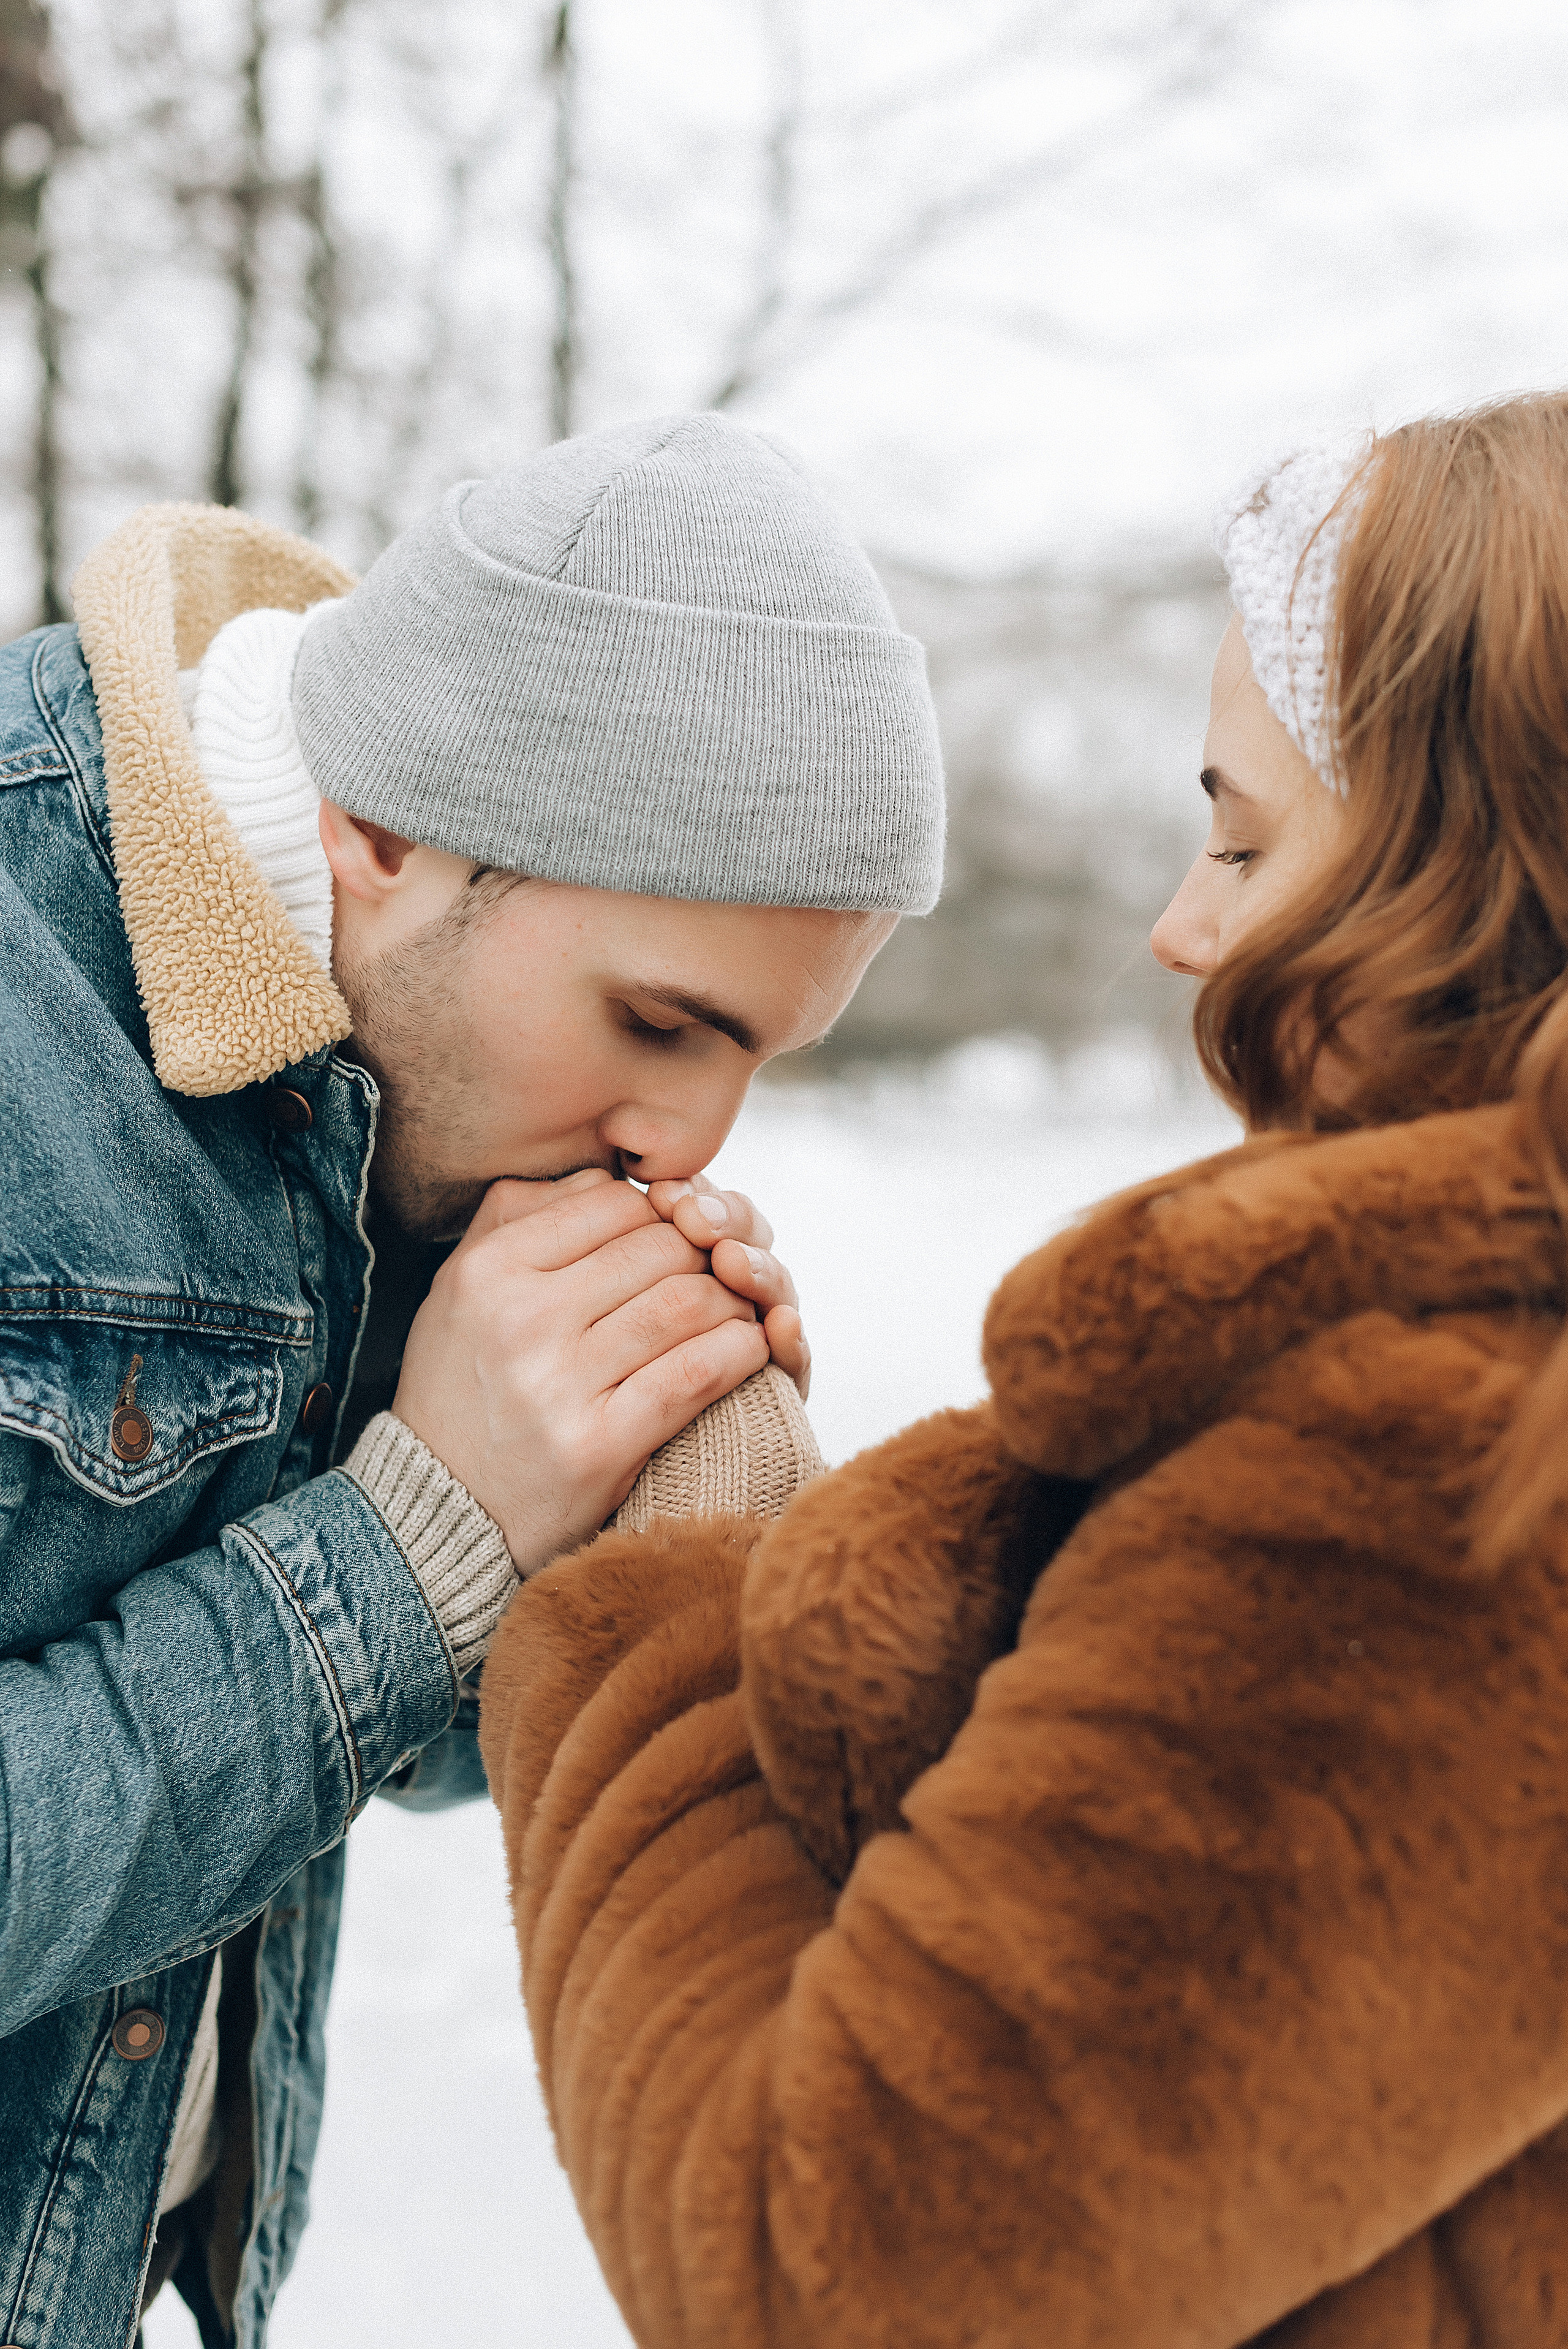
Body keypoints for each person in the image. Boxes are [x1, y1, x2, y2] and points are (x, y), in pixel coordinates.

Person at [480, 390, 1568, 2348]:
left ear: (1458, 875)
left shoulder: (1437, 1477)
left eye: (1240, 840)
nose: (1179, 927)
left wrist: (651, 1600)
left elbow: (836, 2277)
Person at [0, 414, 944, 2348]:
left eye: (763, 1053)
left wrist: (630, 1501)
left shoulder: (382, 1050)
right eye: (661, 1021)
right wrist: (412, 1540)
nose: (688, 1139)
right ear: (383, 829)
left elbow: (387, 1753)